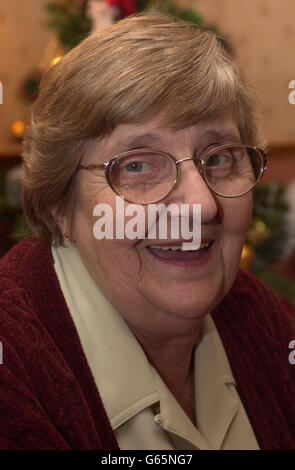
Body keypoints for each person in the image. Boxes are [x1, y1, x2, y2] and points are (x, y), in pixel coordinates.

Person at [0, 13, 294, 450]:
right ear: (60, 204)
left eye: (218, 158)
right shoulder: (13, 370)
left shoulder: (258, 316)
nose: (201, 205)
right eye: (136, 165)